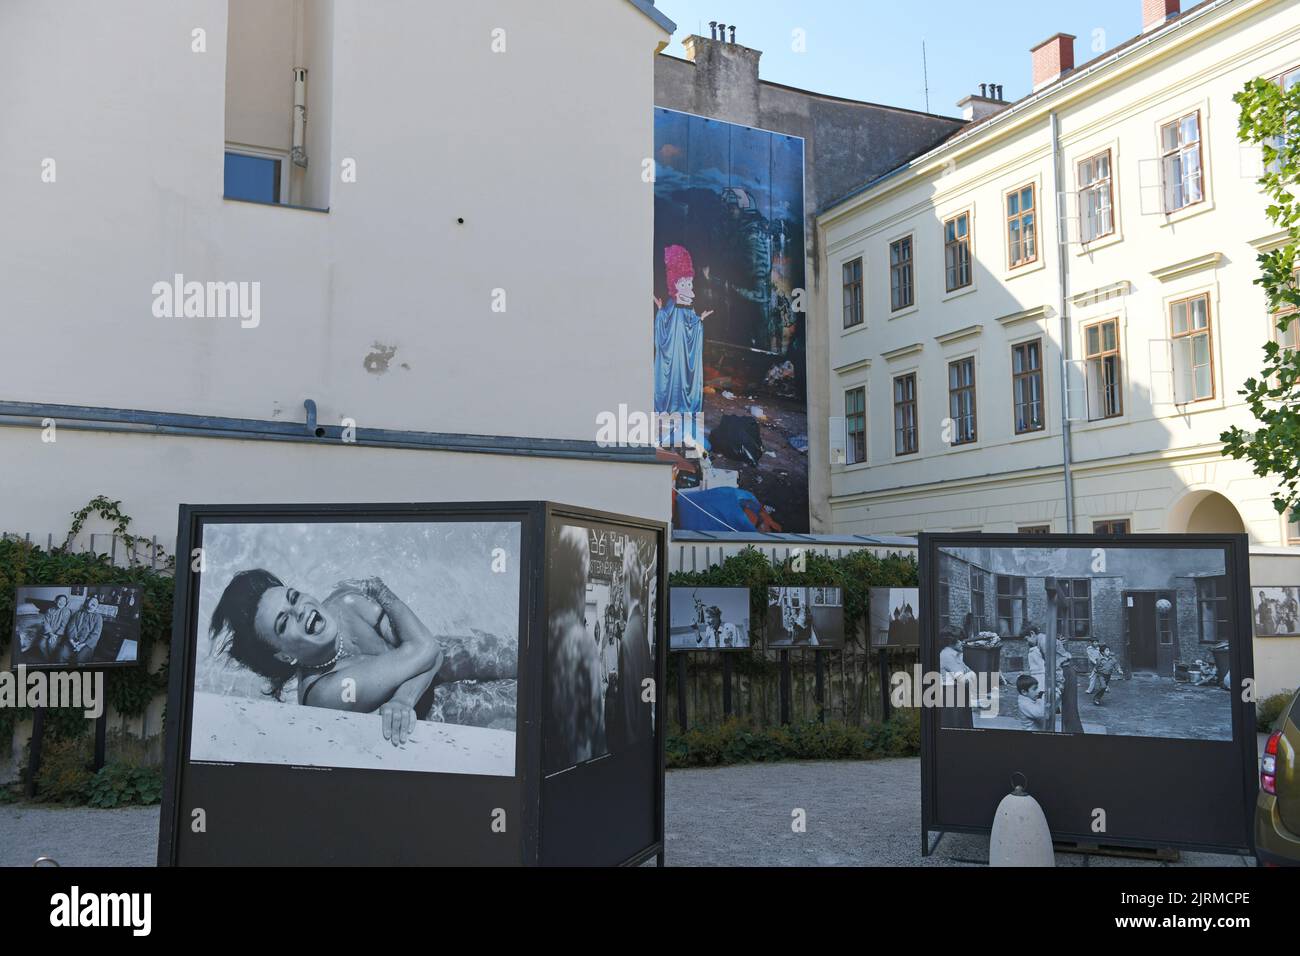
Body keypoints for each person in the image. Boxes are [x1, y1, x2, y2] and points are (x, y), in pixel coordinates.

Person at [210, 570, 515, 746]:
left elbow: (430, 650)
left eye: (294, 597)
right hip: (434, 707)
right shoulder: (324, 695)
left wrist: (402, 697)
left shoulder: (346, 604)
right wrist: (381, 591)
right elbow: (423, 648)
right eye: (283, 622)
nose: (299, 609)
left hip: (435, 671)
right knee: (520, 702)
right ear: (283, 655)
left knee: (518, 654)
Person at [653, 245, 712, 448]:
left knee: (683, 377)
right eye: (684, 282)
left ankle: (680, 418)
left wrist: (698, 322)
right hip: (672, 354)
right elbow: (664, 331)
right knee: (671, 379)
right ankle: (668, 415)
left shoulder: (687, 305)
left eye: (689, 282)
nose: (688, 285)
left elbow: (690, 323)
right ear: (676, 283)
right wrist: (661, 312)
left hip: (683, 354)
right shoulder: (672, 305)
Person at [63, 595, 104, 664]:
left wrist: (81, 645)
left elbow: (95, 634)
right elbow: (71, 627)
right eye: (91, 601)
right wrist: (72, 641)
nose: (93, 603)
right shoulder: (78, 613)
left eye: (95, 602)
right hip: (73, 640)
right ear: (87, 603)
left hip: (87, 643)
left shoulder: (98, 617)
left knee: (79, 659)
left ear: (97, 606)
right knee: (62, 655)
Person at [38, 594, 72, 660]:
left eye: (64, 601)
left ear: (66, 603)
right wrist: (50, 634)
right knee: (41, 644)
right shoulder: (50, 610)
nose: (62, 602)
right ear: (56, 601)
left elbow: (63, 626)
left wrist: (55, 635)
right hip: (49, 632)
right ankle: (47, 659)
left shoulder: (66, 611)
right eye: (60, 600)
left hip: (58, 634)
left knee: (51, 643)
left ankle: (52, 660)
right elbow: (46, 623)